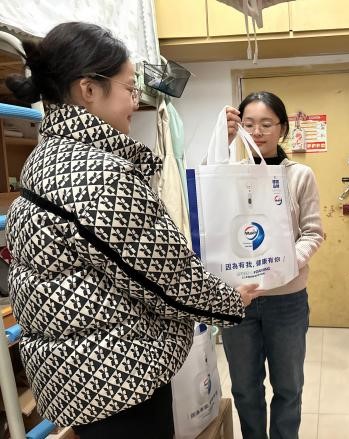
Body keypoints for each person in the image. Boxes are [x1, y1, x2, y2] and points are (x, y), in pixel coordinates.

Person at [4, 22, 261, 438]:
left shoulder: (48, 157)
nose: (135, 99)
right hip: (116, 375)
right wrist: (230, 300)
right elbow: (166, 276)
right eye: (128, 87)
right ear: (89, 89)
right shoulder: (98, 174)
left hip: (87, 372)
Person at [221, 91, 324, 439]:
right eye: (249, 124)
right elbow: (211, 215)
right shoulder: (226, 175)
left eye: (266, 124)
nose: (258, 132)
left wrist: (284, 264)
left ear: (282, 128)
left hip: (287, 299)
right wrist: (222, 144)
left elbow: (313, 232)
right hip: (238, 299)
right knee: (244, 388)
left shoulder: (300, 175)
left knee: (288, 387)